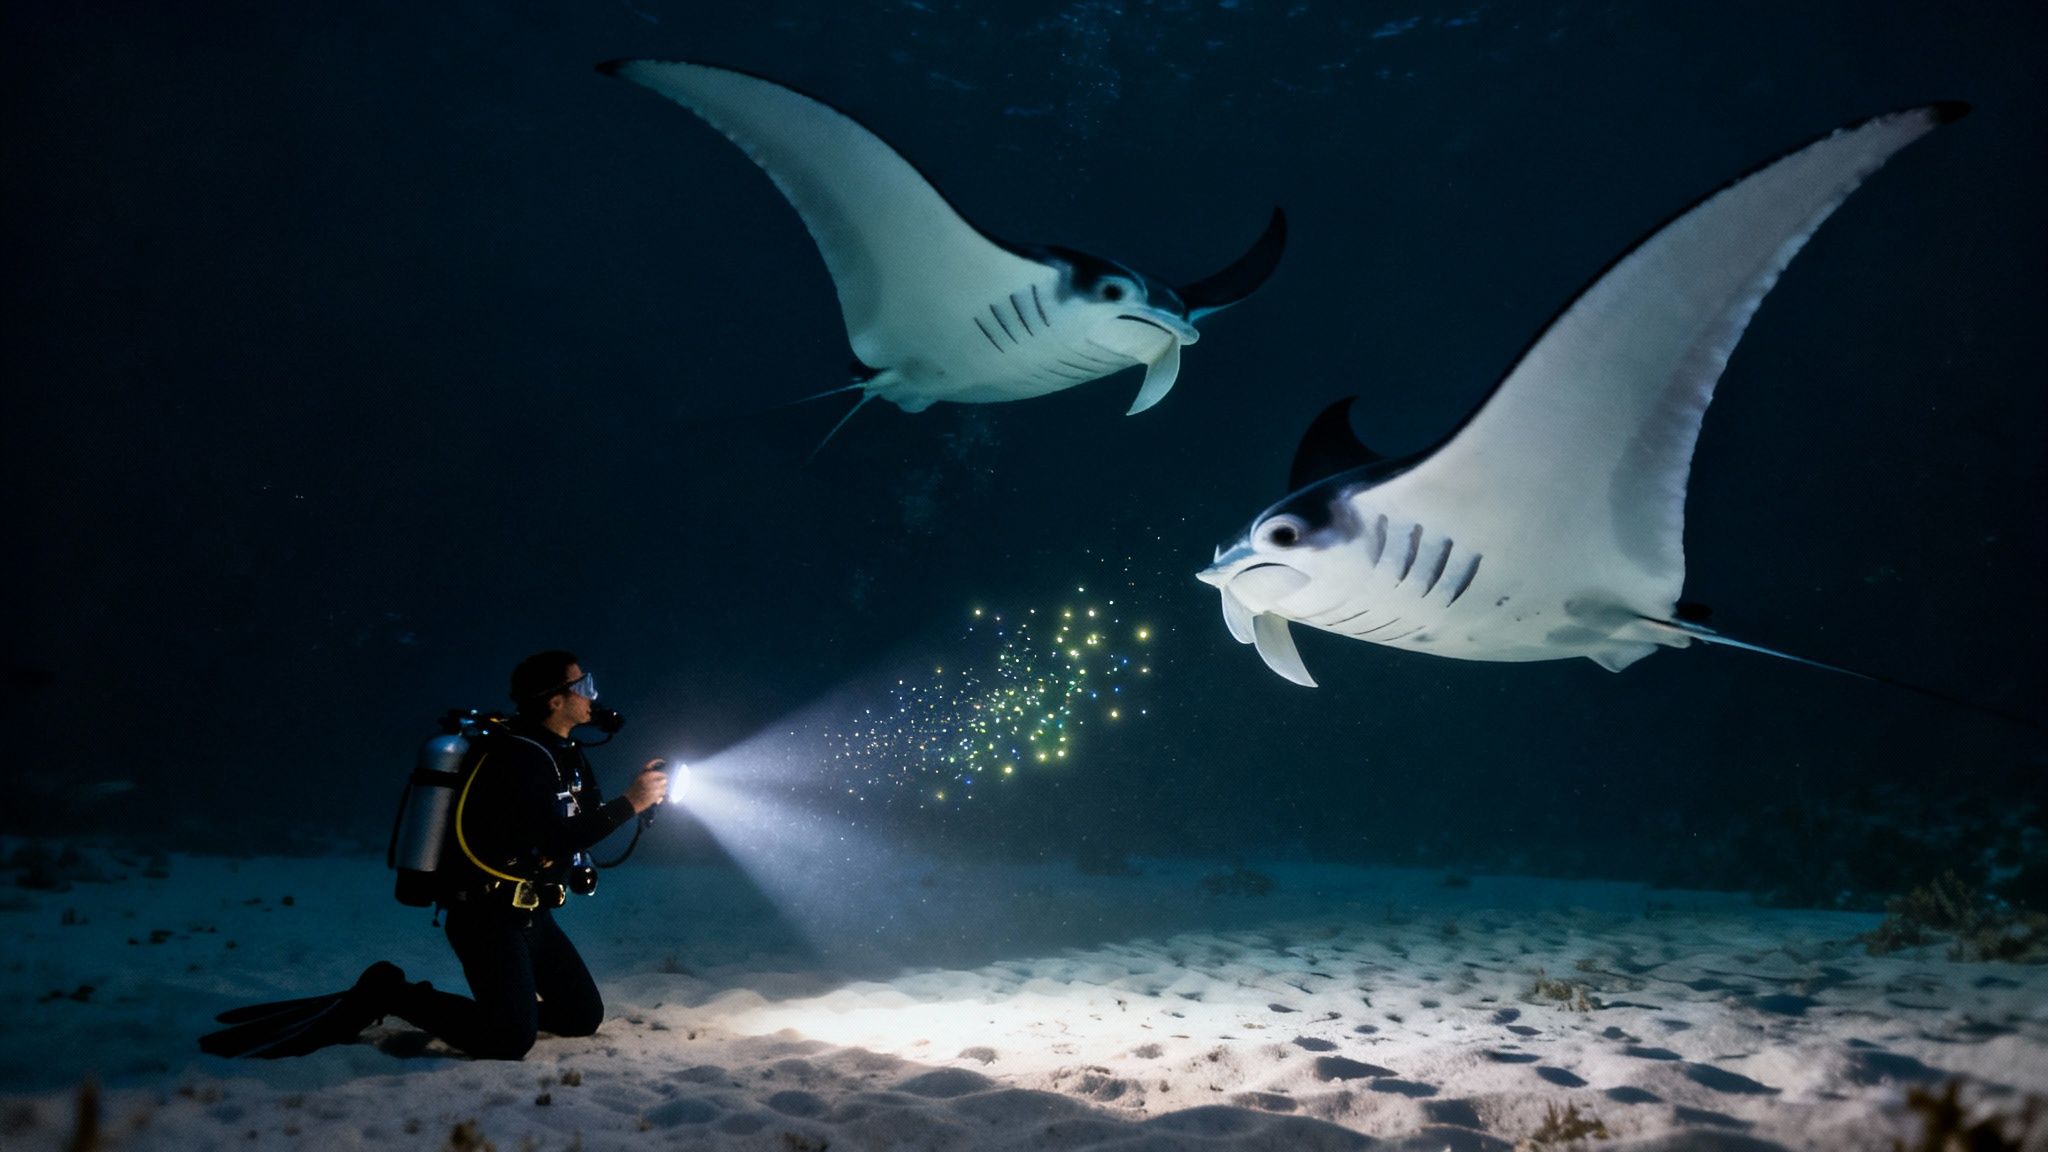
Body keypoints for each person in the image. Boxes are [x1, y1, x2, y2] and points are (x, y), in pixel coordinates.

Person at [199, 651, 668, 1060]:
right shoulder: (517, 757)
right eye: (581, 685)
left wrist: (633, 802)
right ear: (554, 699)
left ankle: (509, 1007)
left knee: (582, 1016)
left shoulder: (567, 753)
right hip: (485, 915)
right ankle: (391, 992)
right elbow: (550, 840)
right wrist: (631, 803)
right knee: (509, 1040)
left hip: (532, 915)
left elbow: (579, 826)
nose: (592, 694)